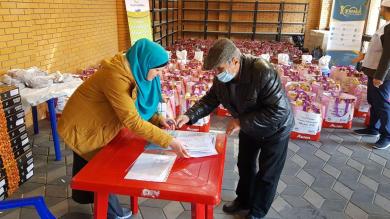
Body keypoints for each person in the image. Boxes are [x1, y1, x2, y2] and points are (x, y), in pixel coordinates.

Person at [58, 38, 189, 219]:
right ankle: (111, 214)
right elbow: (132, 121)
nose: (158, 75)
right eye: (157, 70)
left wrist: (158, 119)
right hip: (84, 125)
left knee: (90, 165)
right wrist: (169, 141)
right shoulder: (115, 76)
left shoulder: (133, 69)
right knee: (99, 166)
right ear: (146, 63)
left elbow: (134, 103)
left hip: (99, 123)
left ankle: (92, 201)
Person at [176, 39, 294, 219]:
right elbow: (210, 100)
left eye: (220, 69)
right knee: (244, 165)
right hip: (249, 126)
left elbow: (279, 111)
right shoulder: (223, 78)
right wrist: (189, 115)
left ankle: (257, 212)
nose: (217, 74)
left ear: (235, 61)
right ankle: (243, 200)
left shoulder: (263, 71)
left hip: (275, 129)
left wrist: (241, 122)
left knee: (268, 174)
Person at [353, 0, 390, 150]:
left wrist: (379, 77)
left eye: (381, 8)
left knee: (382, 105)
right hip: (372, 71)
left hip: (381, 75)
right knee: (373, 101)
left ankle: (386, 136)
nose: (379, 10)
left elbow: (388, 56)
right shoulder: (385, 26)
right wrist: (364, 56)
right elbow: (378, 49)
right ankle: (373, 127)